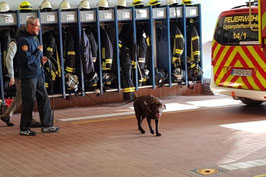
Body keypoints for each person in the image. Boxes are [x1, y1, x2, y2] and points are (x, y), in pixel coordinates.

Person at [17, 17, 59, 136]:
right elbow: (26, 60)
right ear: (29, 26)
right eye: (37, 26)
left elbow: (34, 59)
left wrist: (41, 61)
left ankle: (47, 125)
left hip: (38, 74)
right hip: (29, 76)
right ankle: (24, 128)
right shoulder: (23, 41)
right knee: (29, 101)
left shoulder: (34, 39)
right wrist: (37, 53)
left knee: (44, 98)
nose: (39, 29)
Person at [0, 33, 41, 127]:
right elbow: (9, 59)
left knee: (20, 96)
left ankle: (6, 115)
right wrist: (12, 76)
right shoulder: (15, 43)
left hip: (24, 74)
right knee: (27, 95)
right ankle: (31, 119)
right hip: (19, 74)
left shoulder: (24, 42)